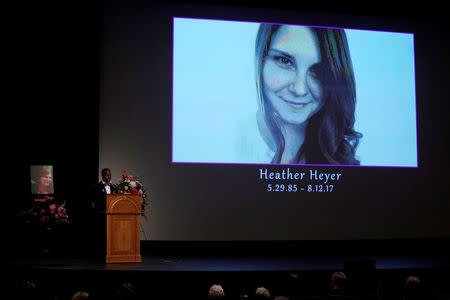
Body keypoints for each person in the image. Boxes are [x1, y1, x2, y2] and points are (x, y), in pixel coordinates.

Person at [251, 24, 361, 165]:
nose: (299, 90)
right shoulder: (229, 145)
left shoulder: (342, 160)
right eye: (285, 61)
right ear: (261, 61)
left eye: (317, 70)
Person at [86, 168, 118, 260]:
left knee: (111, 236)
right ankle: (99, 254)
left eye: (109, 175)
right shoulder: (96, 187)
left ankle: (110, 253)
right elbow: (92, 202)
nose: (108, 177)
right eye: (106, 175)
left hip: (111, 216)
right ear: (102, 176)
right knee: (101, 236)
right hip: (100, 215)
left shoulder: (114, 187)